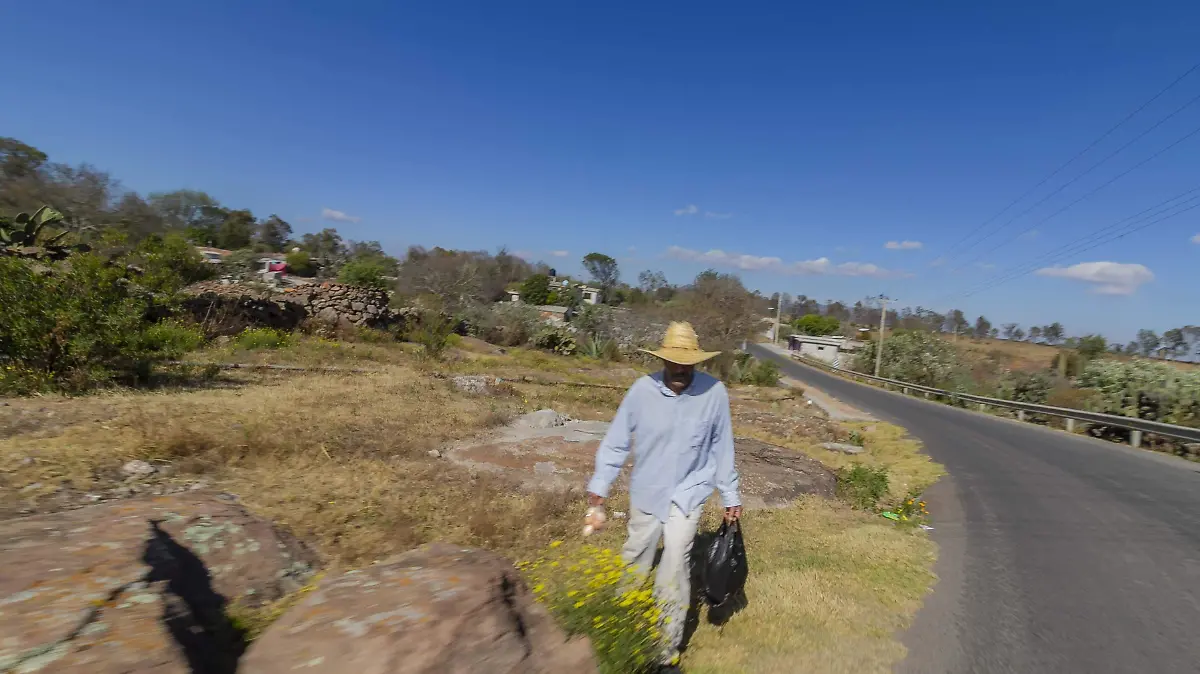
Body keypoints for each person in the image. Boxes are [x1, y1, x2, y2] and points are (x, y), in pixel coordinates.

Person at [584, 321, 742, 672]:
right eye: (674, 363)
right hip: (647, 491)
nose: (680, 370)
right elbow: (617, 440)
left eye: (687, 365)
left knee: (675, 566)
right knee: (635, 561)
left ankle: (664, 653)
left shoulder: (714, 394)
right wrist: (600, 486)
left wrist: (730, 493)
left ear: (697, 363)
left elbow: (722, 446)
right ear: (663, 360)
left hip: (688, 493)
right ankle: (618, 632)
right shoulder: (642, 391)